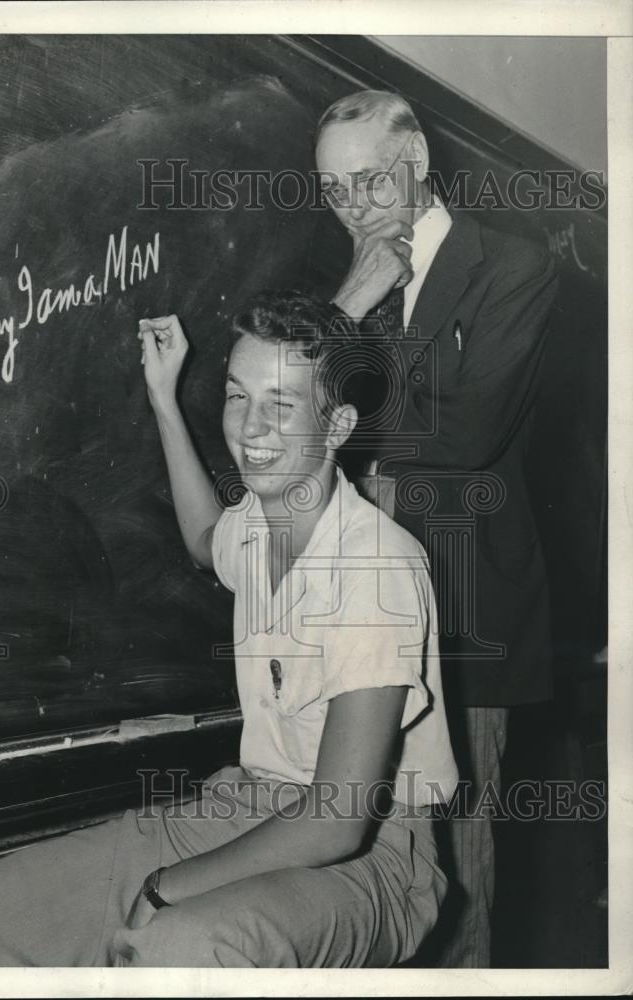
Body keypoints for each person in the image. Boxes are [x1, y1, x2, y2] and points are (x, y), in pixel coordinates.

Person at [0, 291, 458, 968]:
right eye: (235, 396)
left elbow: (338, 821)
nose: (249, 429)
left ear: (338, 424)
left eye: (279, 407)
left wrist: (166, 889)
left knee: (178, 947)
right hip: (247, 805)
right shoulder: (261, 520)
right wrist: (165, 398)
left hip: (374, 852)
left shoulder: (375, 566)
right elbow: (204, 538)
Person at [315, 89, 559, 967]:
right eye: (334, 191)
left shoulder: (513, 266)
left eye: (370, 183)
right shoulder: (349, 281)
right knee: (359, 865)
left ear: (417, 167)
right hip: (346, 618)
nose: (352, 208)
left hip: (464, 618)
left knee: (457, 870)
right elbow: (285, 419)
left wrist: (340, 361)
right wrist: (349, 306)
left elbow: (466, 430)